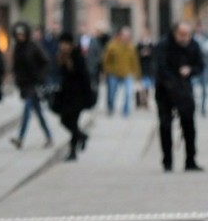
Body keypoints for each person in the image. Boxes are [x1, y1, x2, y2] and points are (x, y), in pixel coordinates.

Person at [154, 21, 205, 171]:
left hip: (184, 91)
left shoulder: (193, 45)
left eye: (188, 35)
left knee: (189, 126)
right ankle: (167, 161)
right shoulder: (164, 45)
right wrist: (172, 81)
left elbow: (200, 65)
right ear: (175, 33)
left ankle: (191, 160)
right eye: (182, 35)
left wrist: (190, 70)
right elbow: (160, 68)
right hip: (165, 90)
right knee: (165, 125)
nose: (185, 38)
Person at [9, 21, 54, 149]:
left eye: (22, 34)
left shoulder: (34, 47)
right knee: (38, 113)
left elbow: (46, 62)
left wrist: (40, 77)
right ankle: (49, 136)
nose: (20, 37)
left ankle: (20, 138)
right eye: (18, 35)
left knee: (27, 111)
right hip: (24, 84)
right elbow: (16, 67)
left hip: (34, 84)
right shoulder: (17, 48)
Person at [54, 32, 94, 160]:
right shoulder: (62, 56)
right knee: (65, 120)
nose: (63, 46)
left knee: (73, 122)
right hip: (67, 95)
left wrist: (88, 94)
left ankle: (72, 152)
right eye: (62, 43)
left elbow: (84, 75)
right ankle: (82, 136)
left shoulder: (76, 55)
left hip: (78, 96)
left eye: (65, 43)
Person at [102, 25, 140, 116]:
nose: (127, 38)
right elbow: (106, 60)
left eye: (128, 36)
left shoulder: (131, 47)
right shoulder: (112, 46)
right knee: (112, 93)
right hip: (114, 73)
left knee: (128, 92)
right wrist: (106, 70)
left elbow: (134, 61)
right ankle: (110, 107)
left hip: (127, 73)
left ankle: (125, 111)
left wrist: (137, 74)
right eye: (125, 35)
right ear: (120, 35)